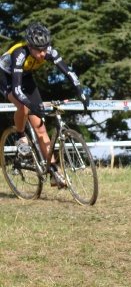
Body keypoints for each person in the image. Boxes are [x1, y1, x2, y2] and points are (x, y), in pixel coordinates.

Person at [0, 22, 89, 187]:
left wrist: (81, 91)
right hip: (6, 77)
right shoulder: (19, 53)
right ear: (29, 46)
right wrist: (31, 106)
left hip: (26, 77)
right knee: (24, 106)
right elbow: (17, 90)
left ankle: (54, 171)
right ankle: (20, 137)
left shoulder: (48, 51)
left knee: (40, 128)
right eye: (38, 50)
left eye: (45, 49)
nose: (42, 54)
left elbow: (68, 72)